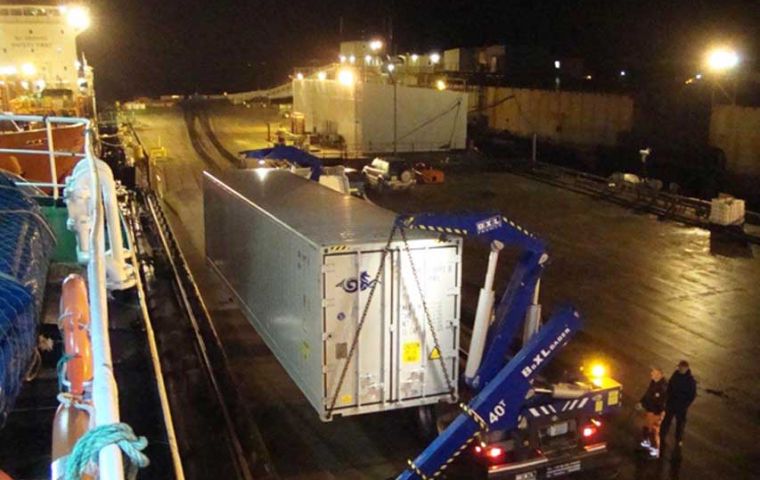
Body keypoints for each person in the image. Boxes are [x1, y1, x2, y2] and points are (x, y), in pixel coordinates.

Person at [660, 360, 697, 448]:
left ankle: (678, 439)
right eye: (680, 368)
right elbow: (669, 388)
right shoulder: (675, 375)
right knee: (667, 421)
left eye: (682, 368)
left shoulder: (690, 381)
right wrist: (667, 399)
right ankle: (662, 435)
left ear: (686, 369)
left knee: (680, 424)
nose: (681, 369)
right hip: (672, 403)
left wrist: (685, 405)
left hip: (681, 406)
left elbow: (692, 395)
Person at [638, 367, 667, 458]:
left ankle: (656, 449)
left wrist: (658, 414)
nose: (651, 375)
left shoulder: (662, 387)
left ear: (659, 375)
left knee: (654, 431)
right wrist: (641, 402)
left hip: (656, 412)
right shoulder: (654, 382)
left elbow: (662, 402)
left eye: (653, 374)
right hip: (650, 410)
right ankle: (646, 442)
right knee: (646, 427)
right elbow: (648, 394)